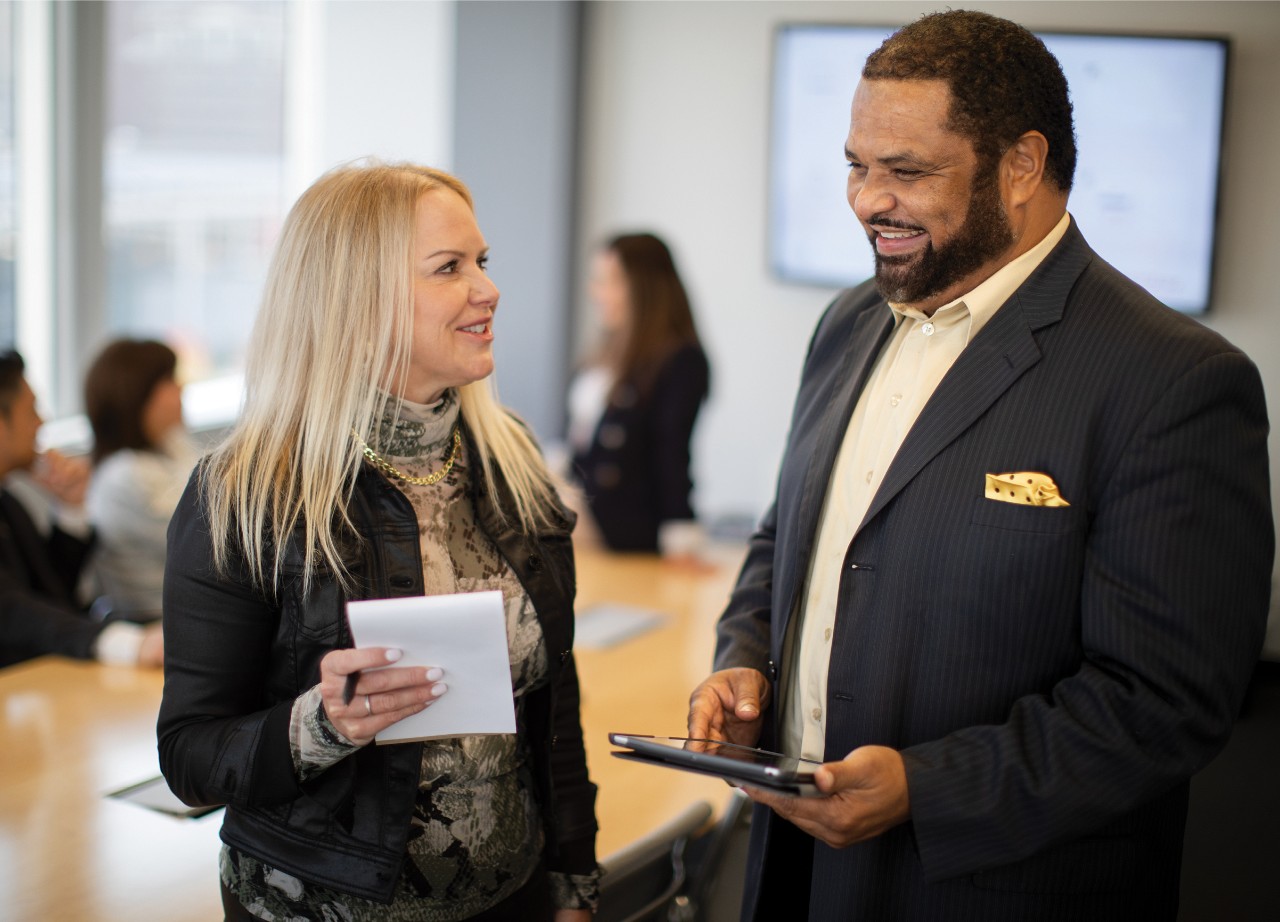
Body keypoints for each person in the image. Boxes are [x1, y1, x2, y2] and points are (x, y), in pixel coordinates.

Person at [687, 11, 1272, 921]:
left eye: (908, 172)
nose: (866, 200)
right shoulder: (849, 322)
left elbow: (1166, 703)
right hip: (791, 870)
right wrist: (746, 659)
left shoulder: (1174, 380)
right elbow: (787, 541)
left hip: (982, 887)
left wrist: (927, 787)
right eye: (856, 164)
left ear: (1023, 167)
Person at [158, 162, 599, 921]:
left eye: (482, 263)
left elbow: (553, 702)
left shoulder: (510, 457)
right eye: (449, 268)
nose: (488, 289)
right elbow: (191, 756)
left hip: (510, 895)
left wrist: (573, 878)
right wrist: (321, 726)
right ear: (357, 302)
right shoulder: (244, 493)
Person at [0, 350, 163, 668]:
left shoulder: (9, 502)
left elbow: (54, 593)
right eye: (30, 409)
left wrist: (72, 507)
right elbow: (12, 611)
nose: (41, 421)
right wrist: (119, 643)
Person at [568, 232, 710, 557]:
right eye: (597, 280)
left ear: (644, 288)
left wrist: (680, 536)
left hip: (624, 531)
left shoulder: (680, 360)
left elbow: (672, 453)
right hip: (580, 514)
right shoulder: (603, 352)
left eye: (610, 281)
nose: (597, 293)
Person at [84, 338, 196, 618]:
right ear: (137, 396)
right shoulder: (122, 475)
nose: (180, 388)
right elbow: (207, 544)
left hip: (186, 614)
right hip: (155, 623)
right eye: (169, 381)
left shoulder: (172, 447)